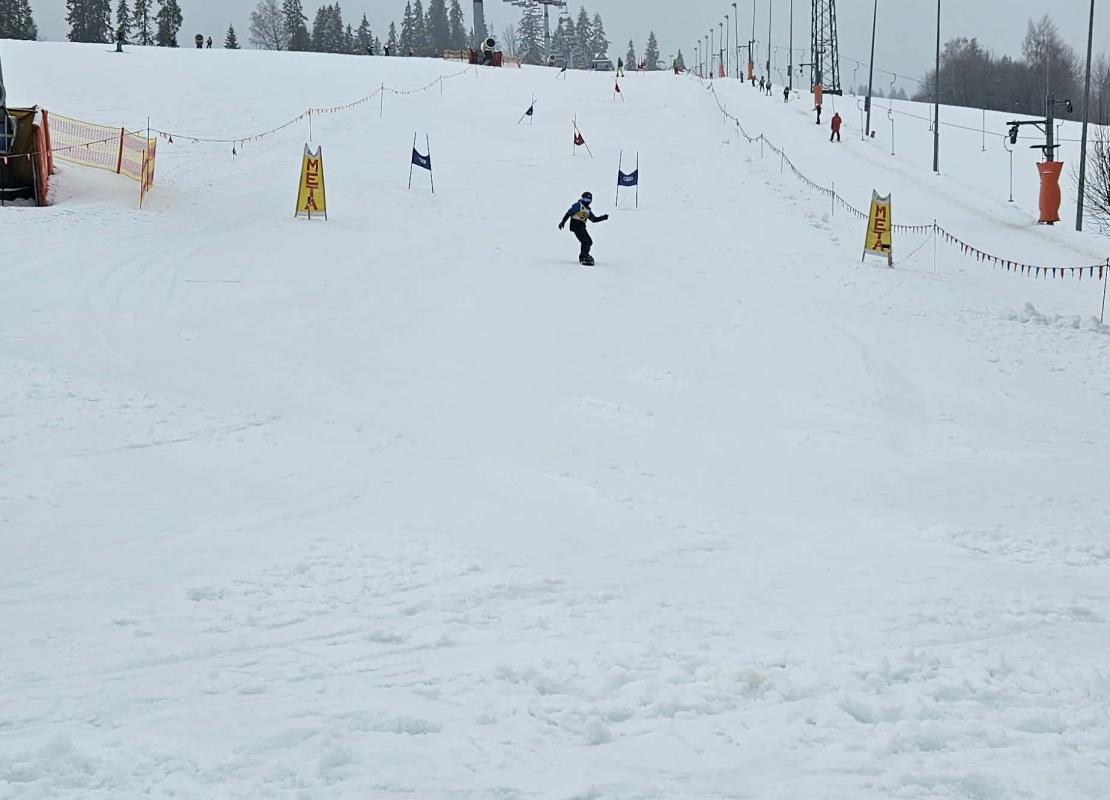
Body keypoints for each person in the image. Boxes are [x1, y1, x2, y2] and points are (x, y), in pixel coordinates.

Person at [558, 191, 609, 266]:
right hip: (576, 226)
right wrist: (563, 222)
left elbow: (593, 219)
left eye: (589, 200)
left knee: (589, 242)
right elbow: (569, 213)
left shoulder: (587, 210)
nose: (587, 201)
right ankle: (583, 256)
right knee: (585, 242)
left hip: (582, 227)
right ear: (582, 198)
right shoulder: (578, 205)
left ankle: (585, 254)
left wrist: (602, 218)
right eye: (585, 199)